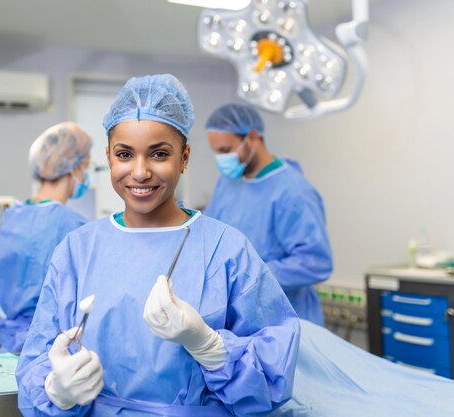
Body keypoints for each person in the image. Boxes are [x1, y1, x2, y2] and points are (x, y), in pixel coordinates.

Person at [17, 74, 300, 417]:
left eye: (159, 154)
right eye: (124, 154)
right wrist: (56, 391)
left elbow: (273, 375)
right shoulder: (77, 250)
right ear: (108, 157)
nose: (139, 172)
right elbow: (37, 356)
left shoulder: (227, 249)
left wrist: (210, 347)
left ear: (184, 158)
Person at [204, 103, 332, 325]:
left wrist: (251, 276)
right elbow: (211, 237)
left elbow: (315, 262)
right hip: (242, 317)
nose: (221, 159)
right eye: (217, 152)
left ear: (253, 138)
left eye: (226, 150)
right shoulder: (227, 184)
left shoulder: (292, 191)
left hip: (286, 319)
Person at [0, 122, 92, 353]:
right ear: (73, 168)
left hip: (11, 341)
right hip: (47, 345)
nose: (86, 174)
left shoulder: (15, 213)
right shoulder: (71, 225)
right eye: (86, 166)